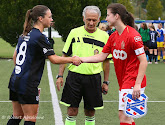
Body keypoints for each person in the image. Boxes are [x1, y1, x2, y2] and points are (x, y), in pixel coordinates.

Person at [7, 5, 80, 125]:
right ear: (41, 18)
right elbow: (54, 59)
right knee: (30, 119)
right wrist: (72, 59)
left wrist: (23, 74)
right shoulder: (40, 37)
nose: (52, 19)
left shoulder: (25, 34)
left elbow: (15, 57)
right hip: (27, 84)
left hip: (15, 80)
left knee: (16, 116)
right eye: (50, 17)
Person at [79, 3, 148, 125]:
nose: (106, 18)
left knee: (123, 116)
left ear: (116, 16)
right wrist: (81, 59)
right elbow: (101, 56)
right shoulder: (113, 37)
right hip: (123, 81)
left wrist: (137, 84)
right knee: (128, 117)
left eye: (108, 15)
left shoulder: (133, 36)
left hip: (133, 81)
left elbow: (143, 61)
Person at [56, 6, 110, 125]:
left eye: (94, 20)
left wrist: (106, 82)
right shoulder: (74, 33)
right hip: (74, 77)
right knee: (72, 110)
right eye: (88, 19)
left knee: (90, 111)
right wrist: (60, 75)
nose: (91, 23)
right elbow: (65, 55)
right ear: (83, 18)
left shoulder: (105, 36)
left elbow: (107, 61)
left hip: (94, 78)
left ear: (99, 19)